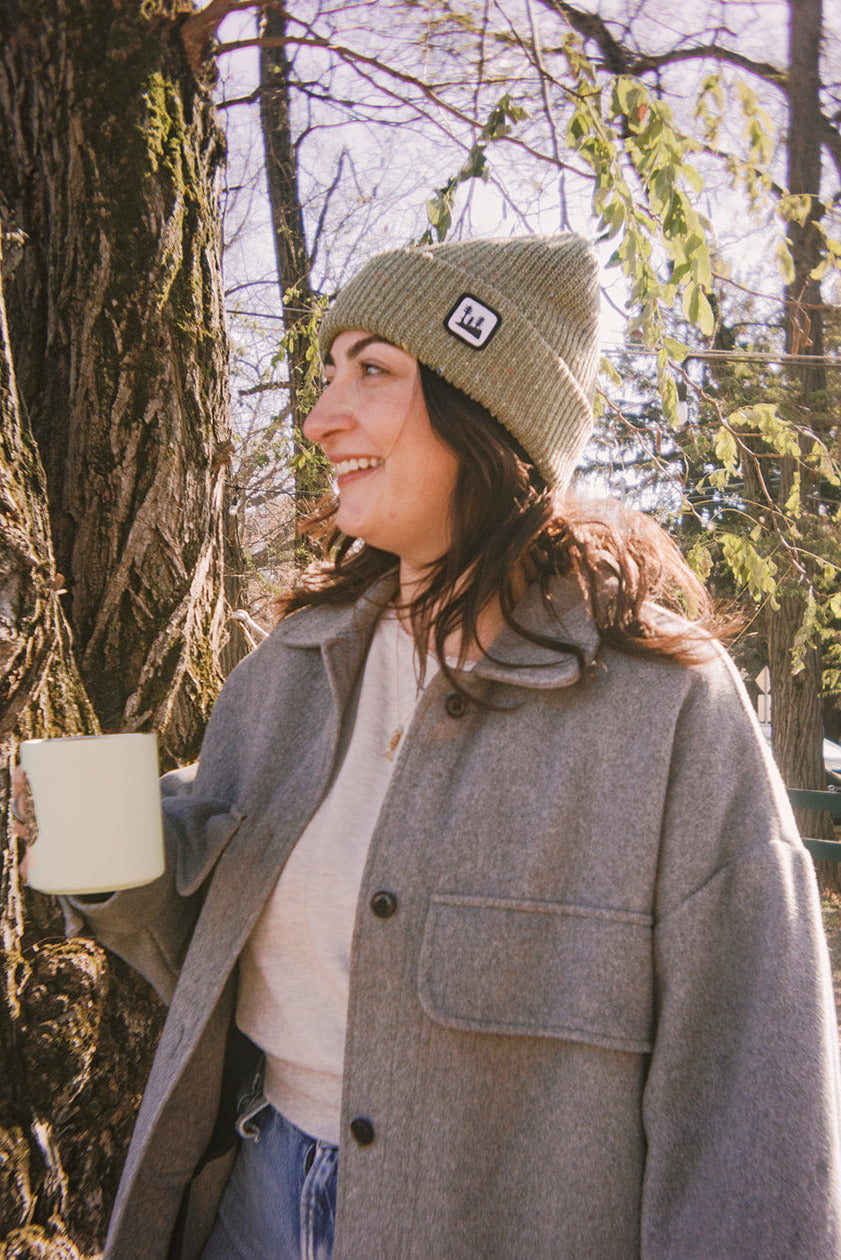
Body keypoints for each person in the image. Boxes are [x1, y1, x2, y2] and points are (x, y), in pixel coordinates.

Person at [12, 233, 841, 1259]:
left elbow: (752, 1092)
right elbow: (216, 950)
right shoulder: (288, 673)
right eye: (326, 372)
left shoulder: (664, 710)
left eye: (373, 371)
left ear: (485, 412)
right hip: (255, 1199)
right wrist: (107, 844)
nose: (321, 418)